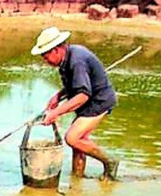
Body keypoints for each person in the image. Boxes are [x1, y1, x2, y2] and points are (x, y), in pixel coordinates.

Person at [32, 27, 120, 181]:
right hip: (90, 100)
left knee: (72, 138)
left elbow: (82, 96)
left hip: (99, 101)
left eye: (46, 57)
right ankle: (77, 180)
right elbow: (75, 84)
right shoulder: (67, 58)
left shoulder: (77, 60)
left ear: (57, 49)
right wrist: (58, 95)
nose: (45, 61)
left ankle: (110, 161)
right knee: (79, 142)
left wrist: (56, 112)